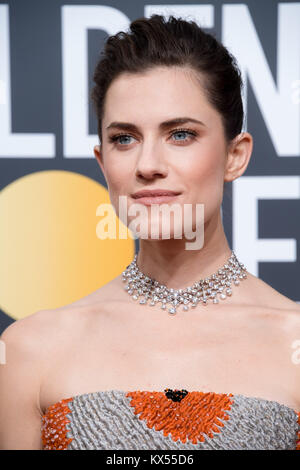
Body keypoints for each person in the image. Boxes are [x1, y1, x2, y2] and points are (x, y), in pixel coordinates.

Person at [0, 14, 299, 451]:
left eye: (180, 134)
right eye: (125, 139)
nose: (147, 165)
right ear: (103, 164)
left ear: (236, 156)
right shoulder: (29, 349)